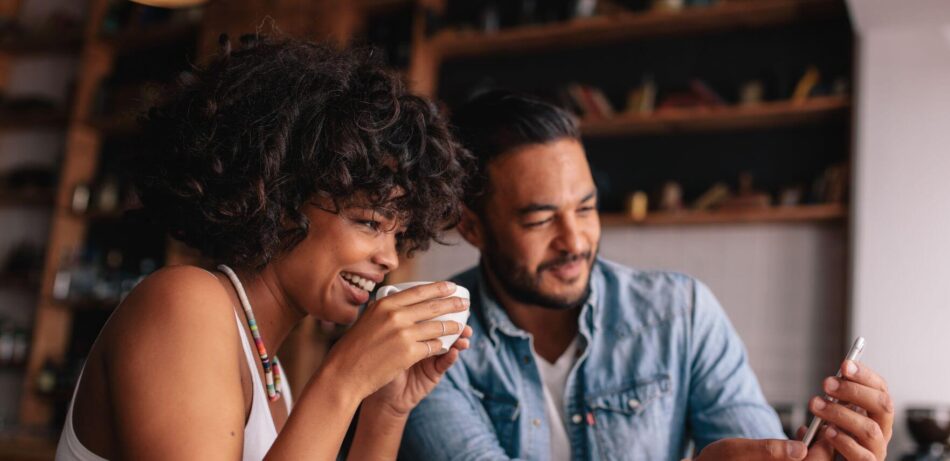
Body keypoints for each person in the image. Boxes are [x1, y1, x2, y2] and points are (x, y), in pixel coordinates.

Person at [399, 91, 894, 461]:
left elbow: (754, 447)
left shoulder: (681, 313)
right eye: (540, 219)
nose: (575, 240)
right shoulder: (430, 340)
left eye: (587, 207)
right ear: (471, 226)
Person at [55, 36, 473, 460]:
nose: (389, 257)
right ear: (281, 200)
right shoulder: (183, 303)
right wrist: (343, 378)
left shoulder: (273, 379)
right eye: (369, 222)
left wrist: (386, 409)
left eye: (399, 235)